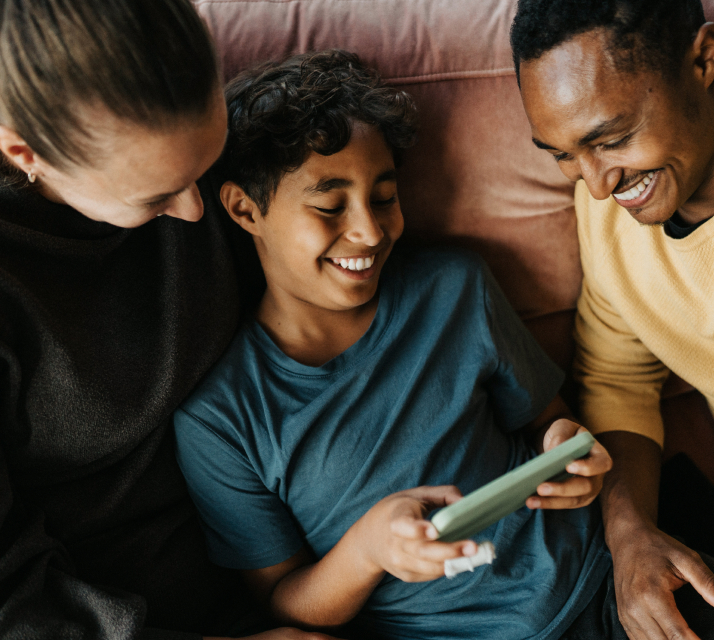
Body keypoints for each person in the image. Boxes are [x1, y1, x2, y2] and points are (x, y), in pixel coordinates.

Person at [174, 48, 685, 640]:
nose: (369, 230)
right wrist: (366, 550)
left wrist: (569, 448)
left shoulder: (453, 286)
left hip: (608, 585)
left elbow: (551, 421)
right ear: (244, 208)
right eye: (329, 205)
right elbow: (285, 607)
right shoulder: (220, 422)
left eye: (385, 196)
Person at [0, 1, 338, 639]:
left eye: (205, 169)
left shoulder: (193, 133)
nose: (194, 212)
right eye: (154, 197)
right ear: (24, 151)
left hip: (294, 564)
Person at [510, 0, 714, 638]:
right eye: (563, 155)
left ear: (704, 60)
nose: (597, 187)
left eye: (612, 138)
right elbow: (619, 380)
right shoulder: (614, 202)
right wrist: (630, 536)